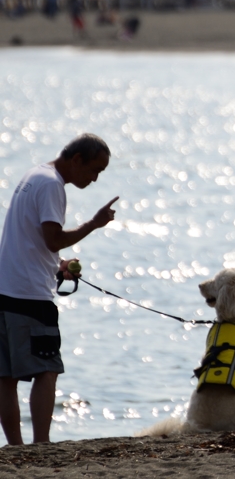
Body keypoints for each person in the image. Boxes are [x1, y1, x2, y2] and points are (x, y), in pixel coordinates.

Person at [0, 134, 117, 445]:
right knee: (46, 370)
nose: (94, 179)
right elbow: (52, 238)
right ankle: (41, 445)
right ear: (76, 159)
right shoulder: (53, 184)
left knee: (6, 376)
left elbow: (34, 241)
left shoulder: (34, 175)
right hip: (30, 296)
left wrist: (58, 264)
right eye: (94, 170)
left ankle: (15, 448)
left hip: (5, 289)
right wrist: (93, 223)